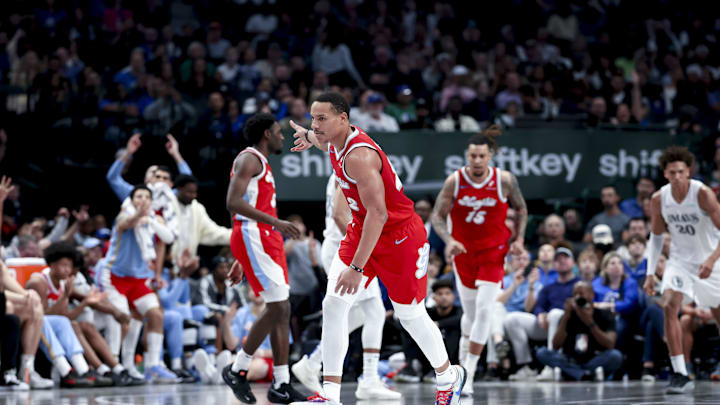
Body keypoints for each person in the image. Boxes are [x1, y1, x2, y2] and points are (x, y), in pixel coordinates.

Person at [287, 92, 465, 405]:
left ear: (343, 119)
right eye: (312, 118)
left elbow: (380, 214)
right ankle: (330, 394)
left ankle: (448, 376)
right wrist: (308, 137)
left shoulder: (360, 156)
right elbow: (323, 143)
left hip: (399, 237)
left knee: (409, 314)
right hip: (363, 230)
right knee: (334, 304)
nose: (314, 125)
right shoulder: (334, 142)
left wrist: (357, 268)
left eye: (321, 118)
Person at [430, 124, 528, 393]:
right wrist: (450, 240)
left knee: (485, 310)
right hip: (464, 254)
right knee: (471, 315)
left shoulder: (504, 180)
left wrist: (518, 240)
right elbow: (437, 216)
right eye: (472, 156)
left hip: (494, 253)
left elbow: (521, 209)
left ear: (489, 157)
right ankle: (461, 368)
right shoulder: (455, 181)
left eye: (481, 156)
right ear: (467, 156)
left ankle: (468, 374)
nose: (476, 160)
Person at [291, 173, 399, 400]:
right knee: (370, 312)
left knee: (368, 313)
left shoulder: (351, 164)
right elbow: (340, 215)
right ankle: (363, 379)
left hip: (345, 249)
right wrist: (363, 249)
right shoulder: (351, 167)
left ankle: (315, 363)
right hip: (344, 249)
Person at [221, 113, 305, 404]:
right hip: (255, 235)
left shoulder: (262, 162)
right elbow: (233, 203)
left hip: (262, 240)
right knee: (278, 306)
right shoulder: (249, 158)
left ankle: (281, 383)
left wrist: (242, 260)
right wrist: (277, 222)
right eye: (279, 132)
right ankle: (238, 368)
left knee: (282, 309)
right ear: (267, 134)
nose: (283, 136)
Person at [644, 146, 720, 394]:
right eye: (671, 172)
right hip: (679, 262)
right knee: (668, 306)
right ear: (665, 174)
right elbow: (655, 237)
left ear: (688, 171)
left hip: (711, 260)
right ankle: (680, 372)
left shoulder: (703, 194)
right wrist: (649, 272)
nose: (676, 176)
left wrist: (711, 260)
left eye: (681, 172)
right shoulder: (659, 199)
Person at [94, 185, 178, 383]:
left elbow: (168, 237)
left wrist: (150, 219)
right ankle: (114, 364)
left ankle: (151, 366)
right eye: (138, 196)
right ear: (131, 200)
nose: (143, 199)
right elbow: (124, 224)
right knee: (123, 319)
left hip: (138, 279)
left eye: (147, 196)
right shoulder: (125, 215)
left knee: (155, 314)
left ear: (151, 201)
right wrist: (138, 216)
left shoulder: (153, 220)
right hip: (114, 276)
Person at [25, 241, 135, 386]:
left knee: (77, 324)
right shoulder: (39, 281)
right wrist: (67, 297)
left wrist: (111, 310)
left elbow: (69, 313)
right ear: (51, 264)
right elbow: (43, 315)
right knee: (64, 323)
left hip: (53, 325)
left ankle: (93, 369)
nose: (67, 270)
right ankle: (68, 371)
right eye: (64, 265)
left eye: (69, 266)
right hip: (32, 326)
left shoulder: (64, 282)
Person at [505, 245, 580, 381]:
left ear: (573, 263)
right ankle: (525, 366)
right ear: (554, 264)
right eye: (558, 259)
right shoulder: (549, 287)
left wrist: (550, 314)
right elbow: (538, 306)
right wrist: (540, 314)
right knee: (512, 319)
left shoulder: (580, 284)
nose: (561, 261)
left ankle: (550, 366)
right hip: (548, 325)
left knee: (556, 313)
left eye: (565, 258)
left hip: (571, 326)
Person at [535, 282, 622, 381]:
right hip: (571, 359)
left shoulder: (605, 314)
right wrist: (566, 317)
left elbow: (610, 344)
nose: (578, 297)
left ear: (592, 295)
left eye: (581, 294)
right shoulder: (568, 316)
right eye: (575, 295)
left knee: (615, 356)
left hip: (595, 358)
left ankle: (573, 373)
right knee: (542, 352)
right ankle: (586, 374)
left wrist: (589, 321)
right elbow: (555, 345)